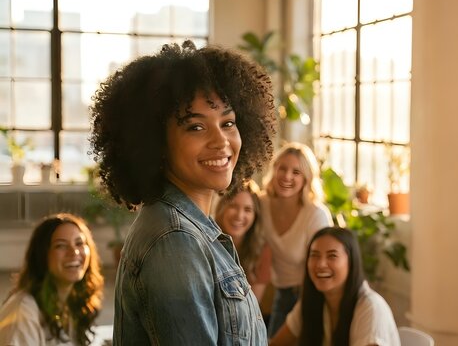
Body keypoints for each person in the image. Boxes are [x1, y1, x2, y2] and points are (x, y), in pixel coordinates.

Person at [89, 40, 276, 345]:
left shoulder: (189, 226)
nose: (221, 141)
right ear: (156, 143)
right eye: (196, 127)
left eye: (227, 122)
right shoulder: (175, 241)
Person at [269, 227, 400, 346]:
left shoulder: (370, 307)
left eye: (332, 256)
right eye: (314, 255)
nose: (321, 264)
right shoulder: (311, 300)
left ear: (351, 262)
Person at [260, 142, 333, 336]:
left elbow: (325, 265)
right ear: (274, 170)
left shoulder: (316, 215)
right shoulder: (262, 204)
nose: (287, 176)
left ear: (306, 179)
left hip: (312, 294)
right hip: (282, 293)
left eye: (296, 172)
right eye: (282, 168)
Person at [0, 213, 104, 346]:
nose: (74, 252)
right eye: (61, 245)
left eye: (79, 243)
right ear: (42, 255)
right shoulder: (23, 312)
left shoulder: (73, 305)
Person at [214, 179, 271, 302]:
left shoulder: (262, 251)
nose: (239, 216)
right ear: (222, 208)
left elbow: (253, 306)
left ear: (255, 216)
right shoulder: (207, 243)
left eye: (247, 210)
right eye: (233, 206)